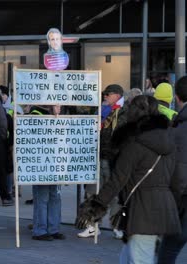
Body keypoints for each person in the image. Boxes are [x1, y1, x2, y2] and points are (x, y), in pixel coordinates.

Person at [76, 95, 182, 263]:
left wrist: (95, 207)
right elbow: (177, 179)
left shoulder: (134, 145)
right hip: (163, 207)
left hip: (142, 209)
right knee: (129, 257)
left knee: (140, 259)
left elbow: (117, 180)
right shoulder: (169, 142)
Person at [79, 84, 127, 239]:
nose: (105, 97)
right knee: (92, 191)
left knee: (114, 194)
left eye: (108, 94)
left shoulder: (124, 112)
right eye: (104, 94)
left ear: (117, 95)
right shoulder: (103, 111)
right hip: (98, 157)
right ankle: (92, 225)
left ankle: (117, 226)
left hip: (114, 160)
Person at [157, 76, 187, 263]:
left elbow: (179, 174)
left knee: (169, 248)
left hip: (182, 200)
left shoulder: (178, 130)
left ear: (176, 97)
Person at [31, 105, 64, 241]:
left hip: (55, 164)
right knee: (43, 198)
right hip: (42, 165)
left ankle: (53, 228)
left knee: (55, 198)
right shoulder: (36, 113)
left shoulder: (57, 116)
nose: (59, 107)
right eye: (57, 105)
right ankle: (40, 230)